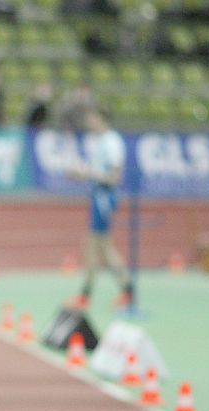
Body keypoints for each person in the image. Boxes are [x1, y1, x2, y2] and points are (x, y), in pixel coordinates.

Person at [66, 106, 133, 308]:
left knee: (98, 247)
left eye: (92, 118)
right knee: (98, 248)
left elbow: (115, 177)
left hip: (105, 197)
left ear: (102, 118)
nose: (89, 123)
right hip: (98, 196)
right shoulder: (99, 142)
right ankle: (122, 290)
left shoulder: (112, 143)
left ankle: (95, 294)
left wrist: (86, 175)